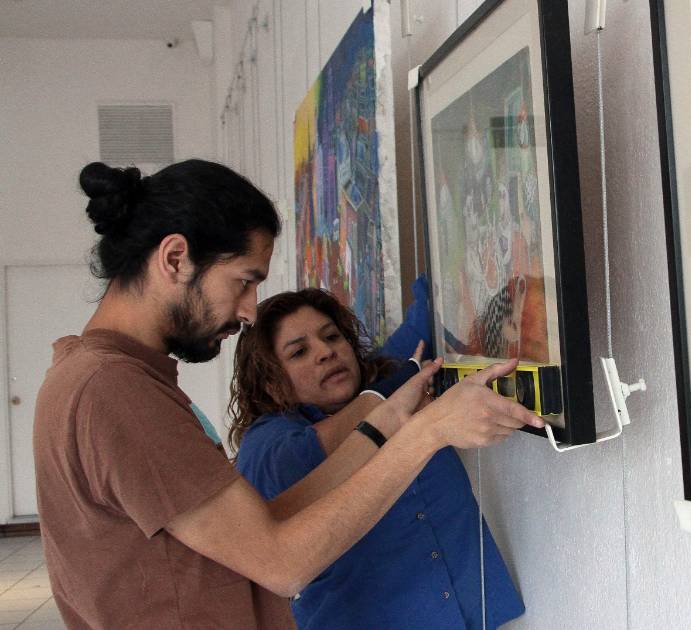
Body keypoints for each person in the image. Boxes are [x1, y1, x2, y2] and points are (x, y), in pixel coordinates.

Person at [32, 160, 543, 629]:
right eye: (243, 281)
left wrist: (382, 422)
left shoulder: (94, 375)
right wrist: (428, 433)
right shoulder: (115, 390)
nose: (248, 310)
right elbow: (282, 563)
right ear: (175, 258)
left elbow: (263, 522)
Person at [228, 282, 524, 629]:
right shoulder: (266, 442)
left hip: (473, 616)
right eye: (299, 352)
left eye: (332, 336)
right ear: (272, 383)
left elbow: (435, 293)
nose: (326, 351)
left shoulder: (391, 373)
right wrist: (392, 395)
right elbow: (302, 458)